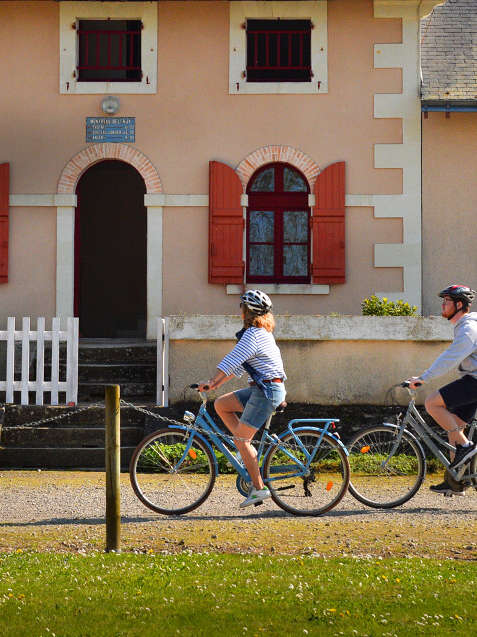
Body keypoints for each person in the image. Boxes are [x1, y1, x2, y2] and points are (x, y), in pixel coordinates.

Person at [198, 289, 286, 508]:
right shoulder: (261, 333)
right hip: (262, 389)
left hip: (266, 392)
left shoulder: (254, 334)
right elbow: (237, 366)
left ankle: (259, 488)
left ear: (247, 311)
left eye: (242, 308)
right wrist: (215, 384)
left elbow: (232, 359)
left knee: (241, 439)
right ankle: (245, 451)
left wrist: (211, 379)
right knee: (221, 404)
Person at [407, 284, 477, 495]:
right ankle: (456, 481)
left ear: (459, 305)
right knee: (454, 427)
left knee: (432, 403)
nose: (442, 305)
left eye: (446, 301)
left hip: (474, 382)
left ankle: (467, 448)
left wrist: (423, 378)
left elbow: (449, 358)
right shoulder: (466, 326)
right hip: (472, 380)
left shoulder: (467, 330)